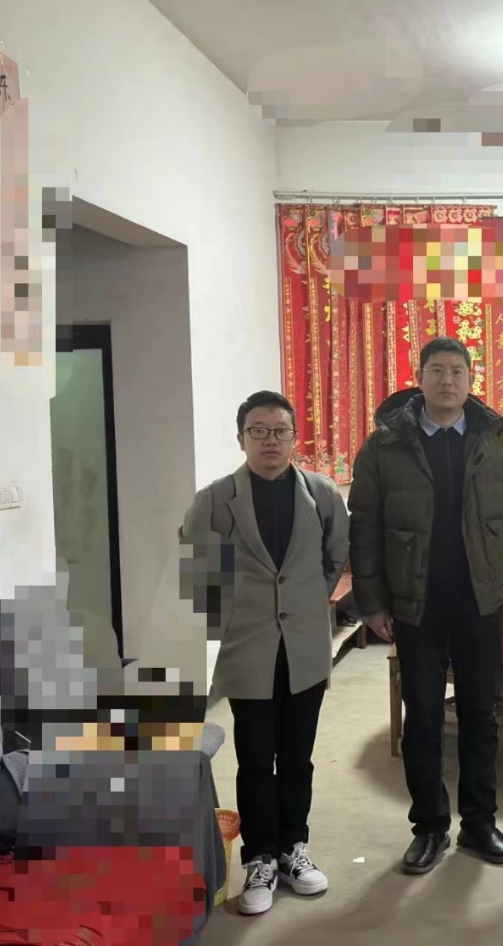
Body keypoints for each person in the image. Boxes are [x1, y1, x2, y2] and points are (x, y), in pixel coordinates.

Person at [348, 337, 503, 875]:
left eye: (456, 371)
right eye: (437, 371)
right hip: (416, 602)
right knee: (424, 718)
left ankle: (479, 822)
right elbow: (366, 528)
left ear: (471, 380)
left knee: (480, 714)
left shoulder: (497, 445)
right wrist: (372, 602)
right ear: (420, 378)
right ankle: (429, 826)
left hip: (481, 600)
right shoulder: (385, 446)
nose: (447, 380)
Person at [179, 390, 349, 915]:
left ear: (295, 438)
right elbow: (199, 576)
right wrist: (238, 617)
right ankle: (259, 858)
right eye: (258, 431)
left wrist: (302, 604)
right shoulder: (214, 500)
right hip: (248, 649)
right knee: (255, 759)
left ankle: (294, 848)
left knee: (298, 756)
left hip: (305, 650)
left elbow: (334, 560)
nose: (270, 440)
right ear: (241, 438)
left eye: (280, 431)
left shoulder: (321, 494)